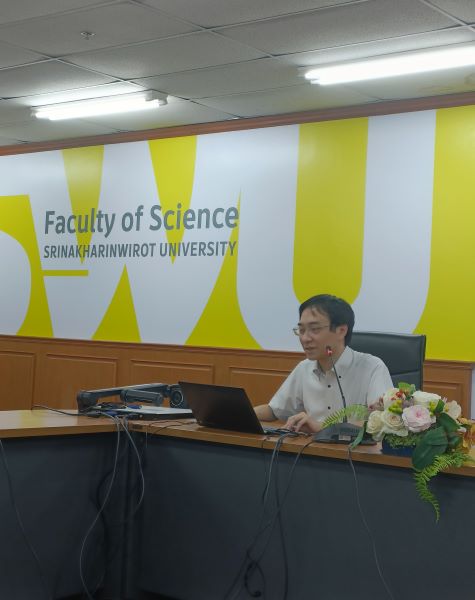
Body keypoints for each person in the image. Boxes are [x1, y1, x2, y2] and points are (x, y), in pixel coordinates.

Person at [254, 294, 393, 433]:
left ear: (341, 331)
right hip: (309, 445)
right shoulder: (304, 368)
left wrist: (320, 427)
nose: (305, 338)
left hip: (356, 447)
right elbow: (274, 410)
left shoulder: (373, 367)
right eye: (301, 330)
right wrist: (243, 414)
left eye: (314, 329)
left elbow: (382, 421)